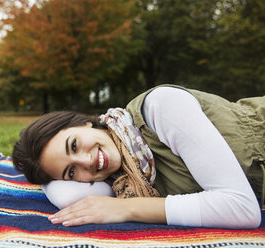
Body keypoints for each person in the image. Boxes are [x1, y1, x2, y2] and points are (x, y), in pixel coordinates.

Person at [13, 84, 264, 229]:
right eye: (71, 172)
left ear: (85, 123)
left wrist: (126, 209)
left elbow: (242, 209)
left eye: (74, 145)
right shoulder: (126, 181)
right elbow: (65, 195)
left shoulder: (160, 107)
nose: (87, 162)